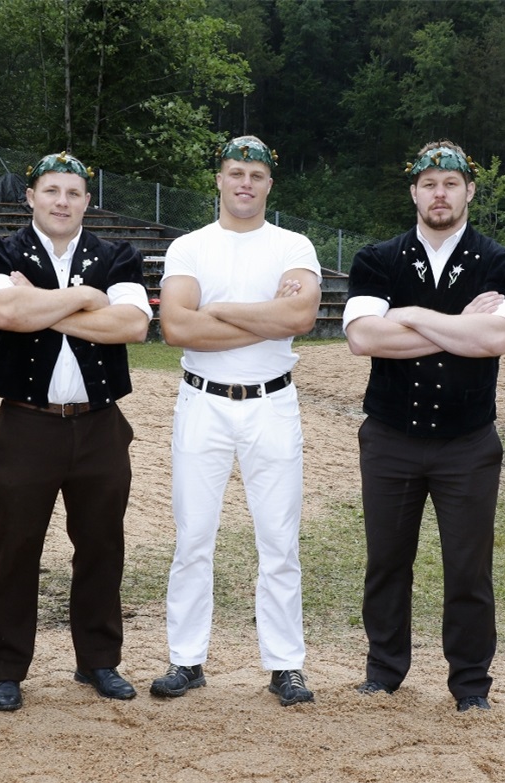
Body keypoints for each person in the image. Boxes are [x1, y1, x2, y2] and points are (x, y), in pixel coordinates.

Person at [343, 140, 505, 713]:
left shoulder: (503, 262)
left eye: (450, 183)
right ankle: (384, 670)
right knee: (386, 561)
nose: (440, 193)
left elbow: (496, 339)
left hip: (468, 445)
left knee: (468, 568)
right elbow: (362, 339)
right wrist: (457, 326)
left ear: (469, 190)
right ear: (414, 193)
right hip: (390, 440)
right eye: (429, 184)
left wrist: (408, 315)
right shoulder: (378, 258)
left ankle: (471, 685)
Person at [0, 151, 152, 712]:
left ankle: (98, 660)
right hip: (25, 424)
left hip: (99, 425)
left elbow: (133, 325)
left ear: (86, 201)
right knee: (16, 548)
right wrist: (83, 298)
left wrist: (40, 305)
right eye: (51, 191)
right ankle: (5, 669)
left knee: (101, 546)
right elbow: (5, 314)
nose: (62, 202)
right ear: (30, 196)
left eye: (73, 193)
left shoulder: (116, 254)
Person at [152, 135, 321, 707]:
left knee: (278, 540)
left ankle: (285, 664)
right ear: (219, 180)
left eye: (256, 173)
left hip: (272, 403)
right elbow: (177, 327)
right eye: (235, 172)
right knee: (193, 536)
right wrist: (265, 318)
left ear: (270, 183)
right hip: (204, 402)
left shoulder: (293, 244)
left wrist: (217, 310)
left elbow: (301, 315)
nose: (245, 182)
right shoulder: (191, 247)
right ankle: (187, 659)